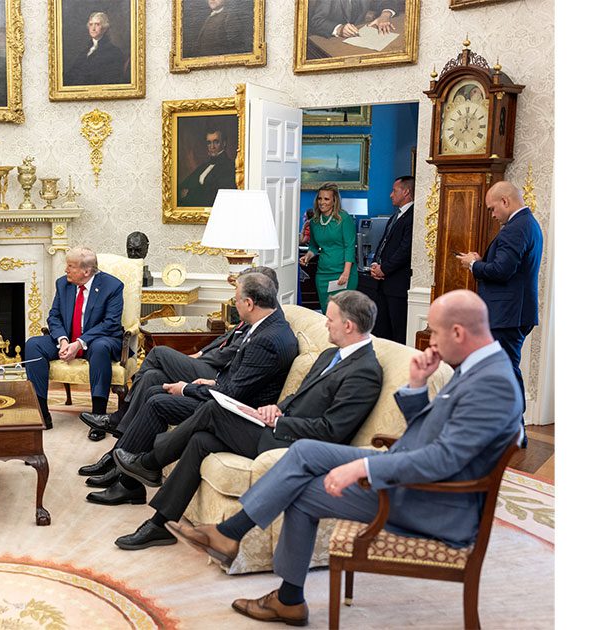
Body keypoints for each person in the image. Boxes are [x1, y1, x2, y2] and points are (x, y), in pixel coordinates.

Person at [166, 290, 523, 625]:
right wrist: (417, 385)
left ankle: (283, 592)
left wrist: (362, 466)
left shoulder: (492, 383)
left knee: (302, 493)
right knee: (304, 451)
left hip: (434, 503)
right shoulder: (479, 369)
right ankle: (233, 537)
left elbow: (442, 459)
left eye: (435, 333)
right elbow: (428, 434)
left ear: (458, 332)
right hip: (417, 485)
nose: (431, 341)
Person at [109, 290, 383, 550]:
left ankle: (150, 462)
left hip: (294, 446)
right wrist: (275, 409)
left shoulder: (365, 372)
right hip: (277, 427)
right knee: (201, 440)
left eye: (331, 320)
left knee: (214, 411)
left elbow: (331, 432)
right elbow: (298, 396)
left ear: (348, 326)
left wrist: (280, 423)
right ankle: (159, 525)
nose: (326, 325)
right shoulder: (329, 355)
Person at [86, 272, 297, 509]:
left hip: (231, 412)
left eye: (236, 299)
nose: (234, 303)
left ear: (249, 303)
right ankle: (123, 471)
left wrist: (187, 389)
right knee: (154, 383)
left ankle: (128, 479)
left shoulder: (267, 339)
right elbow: (239, 379)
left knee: (157, 401)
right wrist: (211, 383)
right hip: (224, 392)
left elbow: (234, 393)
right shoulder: (266, 326)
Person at [455, 181, 543, 398]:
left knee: (506, 372)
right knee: (504, 370)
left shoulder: (515, 228)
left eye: (492, 209)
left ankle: (515, 420)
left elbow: (502, 271)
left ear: (505, 201)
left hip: (507, 316)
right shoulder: (527, 223)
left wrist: (473, 265)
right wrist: (481, 262)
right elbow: (509, 267)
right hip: (513, 313)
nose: (493, 215)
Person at [23, 247, 126, 430]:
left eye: (71, 266)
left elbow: (110, 323)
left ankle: (99, 419)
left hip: (98, 339)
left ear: (86, 271)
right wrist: (63, 340)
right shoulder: (63, 284)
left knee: (100, 348)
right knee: (33, 345)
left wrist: (79, 343)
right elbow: (54, 317)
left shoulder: (112, 286)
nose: (66, 270)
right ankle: (42, 414)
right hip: (68, 338)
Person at [368, 176, 415, 342]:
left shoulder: (412, 216)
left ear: (406, 192)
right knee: (382, 331)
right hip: (384, 285)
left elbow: (405, 250)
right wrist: (376, 263)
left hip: (398, 286)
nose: (390, 195)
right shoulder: (396, 216)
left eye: (394, 191)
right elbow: (384, 242)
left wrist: (384, 269)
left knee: (398, 332)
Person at [301, 183, 357, 311]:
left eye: (326, 199)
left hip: (342, 273)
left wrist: (346, 273)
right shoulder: (314, 222)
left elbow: (349, 246)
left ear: (334, 201)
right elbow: (313, 246)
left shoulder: (344, 218)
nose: (322, 202)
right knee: (327, 312)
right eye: (320, 198)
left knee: (342, 313)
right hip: (323, 274)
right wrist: (308, 257)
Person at [64, 12, 129, 86]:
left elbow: (110, 79)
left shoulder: (114, 52)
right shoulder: (85, 51)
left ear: (104, 28)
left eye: (97, 24)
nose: (93, 28)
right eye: (91, 24)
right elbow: (72, 73)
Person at [177, 128, 237, 207]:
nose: (212, 146)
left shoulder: (229, 166)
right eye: (209, 143)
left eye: (216, 142)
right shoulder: (203, 167)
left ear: (224, 143)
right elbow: (181, 188)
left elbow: (216, 197)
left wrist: (191, 193)